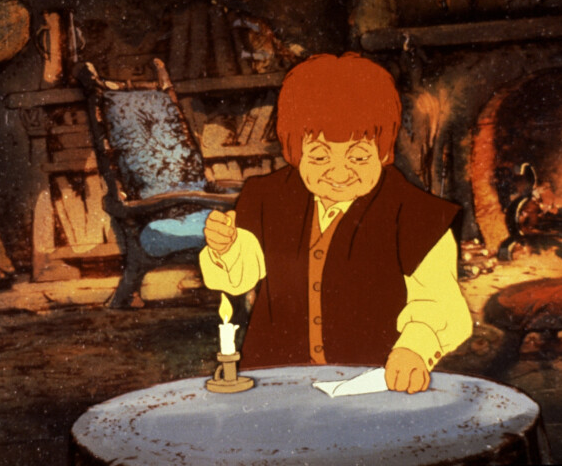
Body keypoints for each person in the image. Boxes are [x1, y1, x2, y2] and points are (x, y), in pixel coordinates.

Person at [199, 52, 472, 394]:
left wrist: (413, 349)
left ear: (383, 151)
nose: (339, 173)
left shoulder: (417, 213)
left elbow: (439, 302)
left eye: (358, 156)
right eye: (319, 156)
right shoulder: (266, 197)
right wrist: (225, 248)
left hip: (370, 385)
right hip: (275, 381)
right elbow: (239, 278)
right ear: (295, 150)